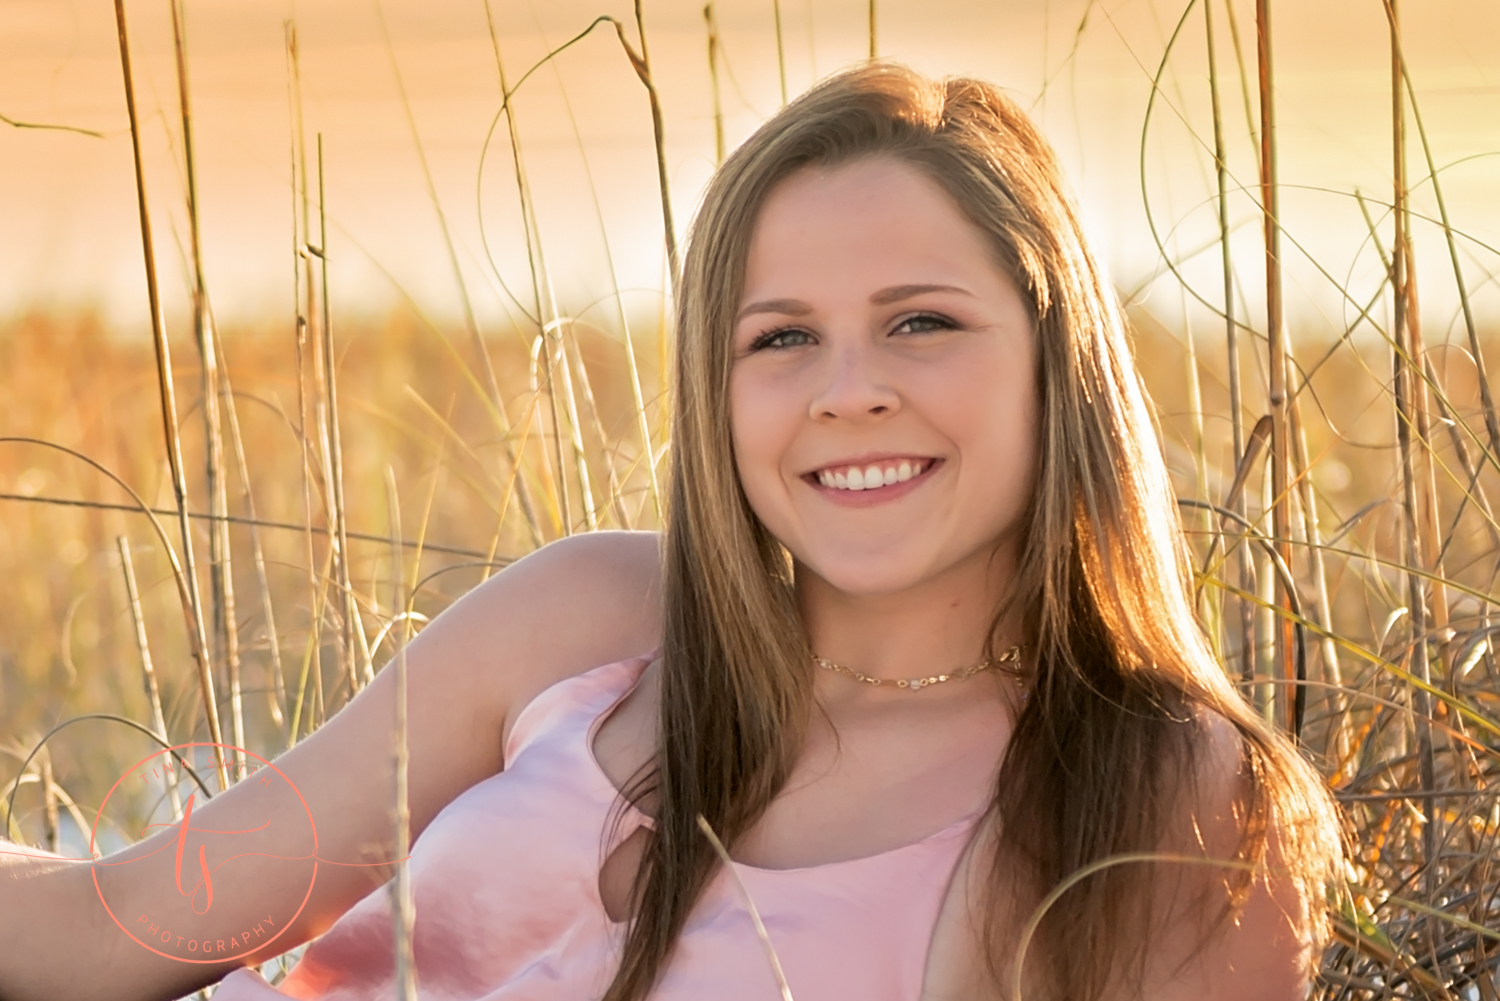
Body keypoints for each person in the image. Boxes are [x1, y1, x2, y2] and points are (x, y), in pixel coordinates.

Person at [0, 63, 1341, 1001]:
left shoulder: (1160, 788)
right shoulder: (591, 622)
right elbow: (100, 934)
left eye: (922, 320)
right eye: (781, 337)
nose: (849, 386)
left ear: (1060, 364)